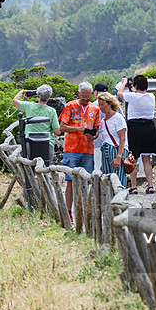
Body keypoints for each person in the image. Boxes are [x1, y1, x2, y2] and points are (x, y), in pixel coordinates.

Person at [58, 82, 101, 216]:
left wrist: (92, 136)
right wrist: (78, 128)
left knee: (86, 181)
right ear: (78, 94)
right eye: (83, 96)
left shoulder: (95, 108)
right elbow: (62, 127)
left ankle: (83, 212)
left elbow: (97, 129)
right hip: (71, 149)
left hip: (88, 150)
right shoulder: (70, 105)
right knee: (70, 180)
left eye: (88, 96)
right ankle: (68, 212)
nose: (86, 99)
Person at [118, 74, 156, 194]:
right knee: (146, 159)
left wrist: (123, 83)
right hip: (148, 127)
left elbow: (120, 94)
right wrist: (134, 89)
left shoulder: (133, 96)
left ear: (136, 86)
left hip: (134, 128)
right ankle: (150, 185)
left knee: (133, 158)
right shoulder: (151, 96)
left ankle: (134, 187)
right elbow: (138, 94)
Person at [12, 84, 61, 162]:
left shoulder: (29, 106)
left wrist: (21, 92)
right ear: (49, 97)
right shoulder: (51, 111)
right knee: (45, 169)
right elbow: (57, 132)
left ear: (37, 95)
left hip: (30, 144)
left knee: (30, 169)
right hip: (47, 145)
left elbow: (15, 102)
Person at [97, 92, 129, 188]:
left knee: (118, 178)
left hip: (116, 149)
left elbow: (122, 138)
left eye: (103, 104)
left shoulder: (118, 118)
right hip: (106, 149)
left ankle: (120, 199)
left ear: (110, 103)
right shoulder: (103, 121)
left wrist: (119, 157)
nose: (101, 107)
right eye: (99, 105)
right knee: (107, 179)